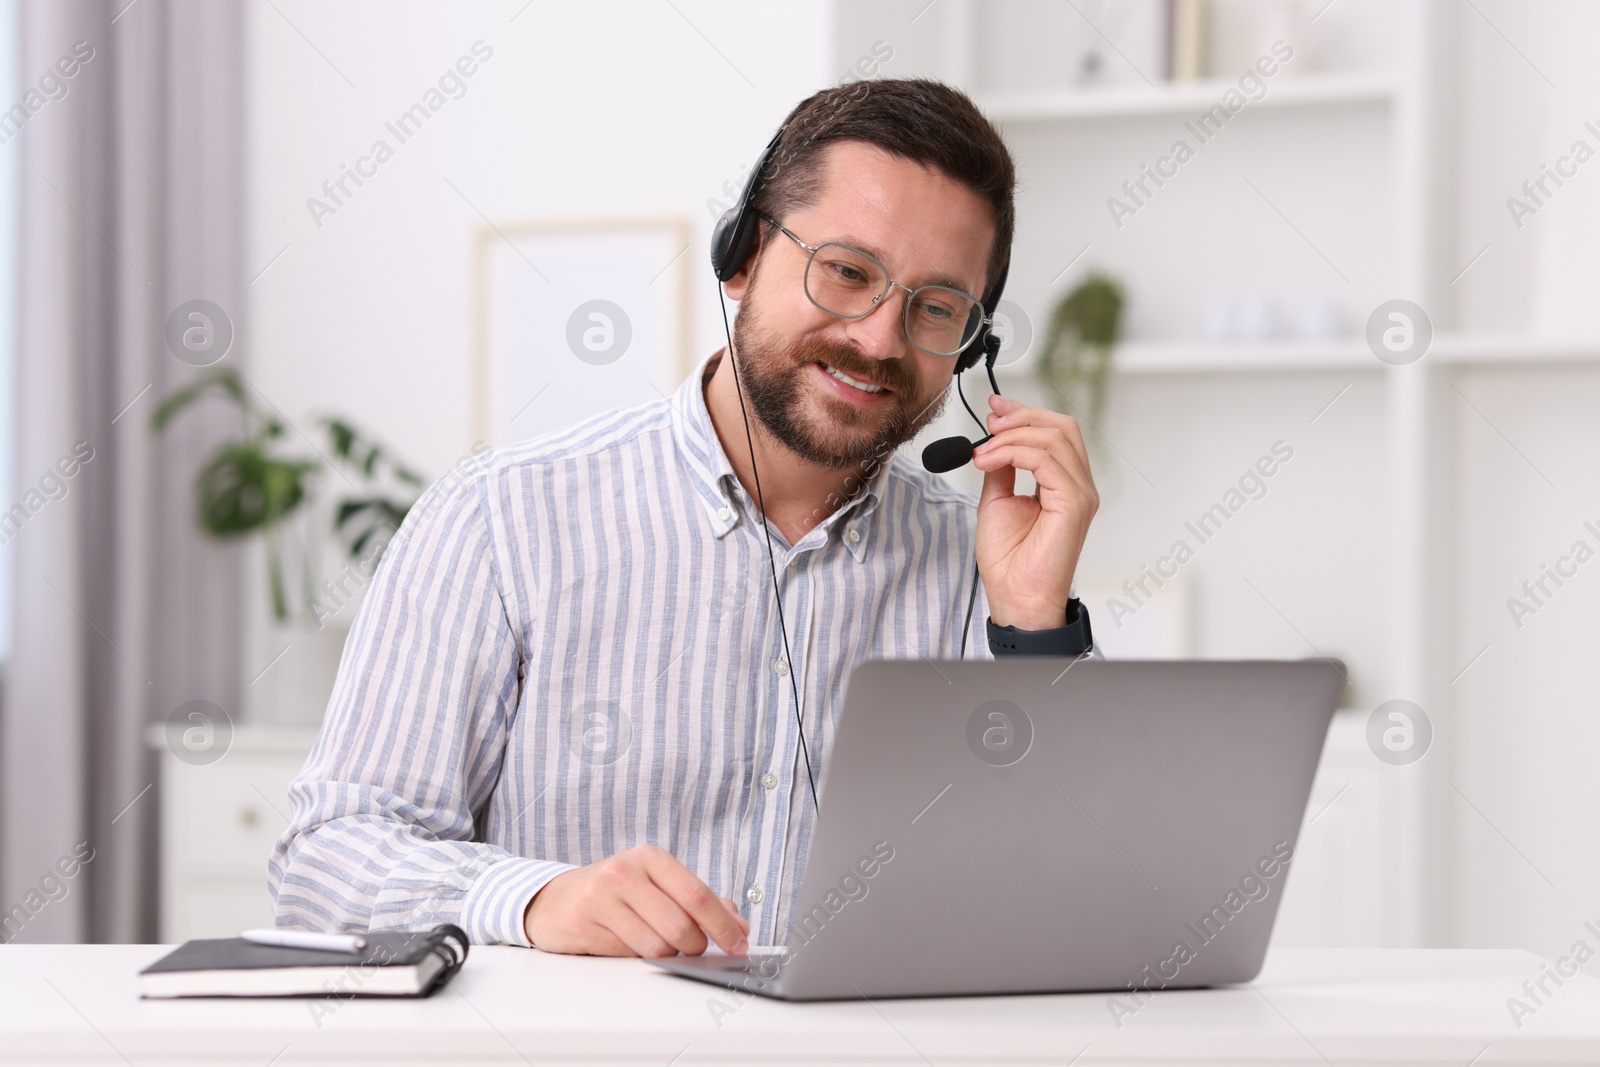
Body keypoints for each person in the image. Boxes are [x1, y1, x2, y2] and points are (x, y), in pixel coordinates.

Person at [268, 77, 1100, 958]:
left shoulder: (984, 567)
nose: (880, 339)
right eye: (848, 272)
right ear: (741, 257)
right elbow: (325, 862)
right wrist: (534, 897)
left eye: (935, 307)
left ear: (971, 344)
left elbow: (1082, 898)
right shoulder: (501, 520)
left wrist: (1032, 626)